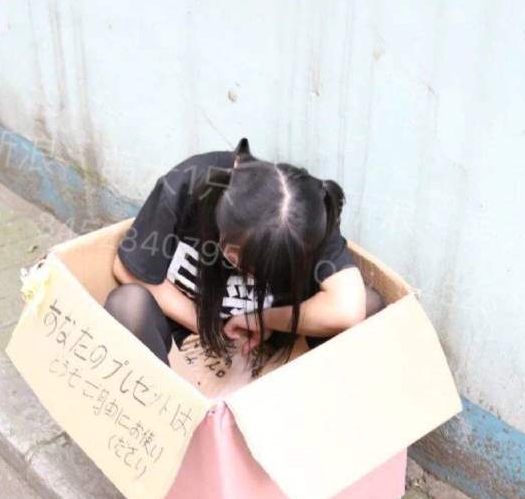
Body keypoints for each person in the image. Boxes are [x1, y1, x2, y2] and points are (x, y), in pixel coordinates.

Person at [105, 137, 384, 373]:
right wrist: (206, 324)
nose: (253, 274)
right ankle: (170, 410)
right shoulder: (189, 183)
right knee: (128, 304)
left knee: (369, 308)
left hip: (271, 346)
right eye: (246, 263)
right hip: (186, 338)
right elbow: (127, 268)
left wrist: (263, 319)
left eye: (267, 270)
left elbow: (349, 308)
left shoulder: (306, 216)